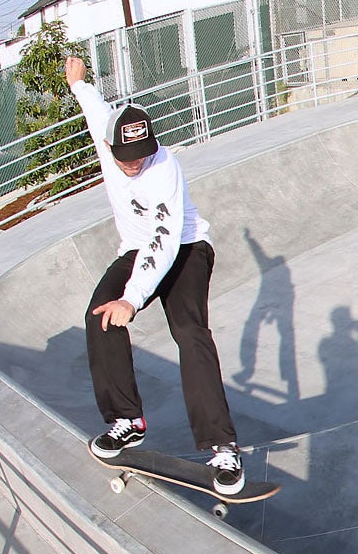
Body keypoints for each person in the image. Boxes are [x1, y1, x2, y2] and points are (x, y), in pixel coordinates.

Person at [64, 55, 244, 495]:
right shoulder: (108, 139)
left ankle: (222, 446)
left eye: (140, 157)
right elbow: (96, 110)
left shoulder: (164, 168)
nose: (134, 164)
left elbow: (163, 242)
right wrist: (78, 84)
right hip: (135, 250)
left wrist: (134, 297)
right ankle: (127, 420)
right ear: (109, 146)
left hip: (184, 249)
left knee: (189, 331)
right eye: (126, 158)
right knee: (98, 315)